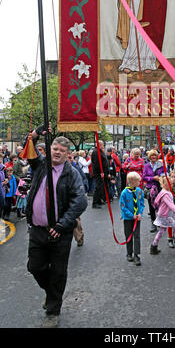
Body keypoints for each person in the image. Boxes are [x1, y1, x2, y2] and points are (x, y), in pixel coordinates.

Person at [25, 126, 88, 328]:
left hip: (60, 232)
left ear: (67, 154)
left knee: (58, 272)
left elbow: (80, 202)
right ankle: (50, 293)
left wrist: (62, 224)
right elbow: (26, 150)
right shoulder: (40, 165)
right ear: (50, 149)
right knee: (34, 267)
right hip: (37, 229)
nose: (57, 152)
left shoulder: (72, 173)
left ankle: (53, 311)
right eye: (55, 149)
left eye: (62, 150)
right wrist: (35, 134)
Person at [150, 176, 175, 255]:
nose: (171, 185)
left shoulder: (165, 192)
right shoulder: (165, 194)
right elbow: (171, 205)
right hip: (166, 216)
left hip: (164, 215)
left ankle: (154, 246)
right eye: (169, 184)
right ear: (164, 185)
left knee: (162, 231)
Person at [120, 171, 144, 266]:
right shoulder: (124, 193)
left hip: (137, 218)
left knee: (137, 236)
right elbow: (123, 207)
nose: (139, 183)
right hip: (128, 218)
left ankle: (136, 255)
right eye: (138, 181)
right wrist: (131, 215)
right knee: (128, 236)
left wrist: (140, 213)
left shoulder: (139, 191)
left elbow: (141, 203)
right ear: (132, 181)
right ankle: (129, 253)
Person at [142, 149, 164, 232]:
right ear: (149, 157)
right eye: (152, 156)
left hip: (159, 187)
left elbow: (165, 173)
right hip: (150, 188)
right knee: (151, 206)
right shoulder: (147, 166)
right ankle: (153, 223)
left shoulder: (161, 165)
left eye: (155, 155)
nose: (153, 157)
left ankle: (159, 221)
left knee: (160, 205)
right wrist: (152, 178)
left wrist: (161, 177)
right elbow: (144, 177)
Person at [91, 140, 110, 208]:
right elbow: (97, 163)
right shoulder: (96, 152)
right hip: (98, 173)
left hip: (102, 172)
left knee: (101, 187)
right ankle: (95, 202)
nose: (103, 145)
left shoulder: (99, 151)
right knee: (98, 187)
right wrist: (100, 172)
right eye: (102, 144)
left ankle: (99, 200)